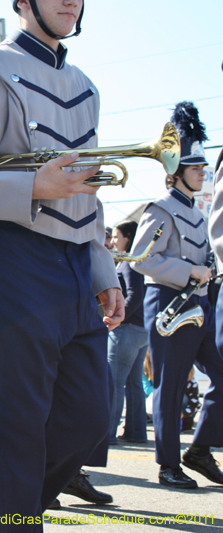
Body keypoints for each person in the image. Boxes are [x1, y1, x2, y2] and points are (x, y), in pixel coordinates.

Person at [0, 0, 123, 530]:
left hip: (77, 262)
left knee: (88, 421)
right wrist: (32, 184)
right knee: (19, 430)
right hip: (13, 255)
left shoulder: (84, 84)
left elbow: (90, 191)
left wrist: (103, 271)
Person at [132, 101, 223, 489]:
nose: (203, 171)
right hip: (169, 305)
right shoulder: (160, 210)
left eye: (203, 166)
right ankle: (168, 464)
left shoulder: (199, 214)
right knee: (168, 390)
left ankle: (199, 449)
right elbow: (141, 259)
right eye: (195, 166)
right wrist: (190, 270)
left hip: (199, 306)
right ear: (176, 171)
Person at [108, 220, 149, 445]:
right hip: (141, 330)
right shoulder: (136, 261)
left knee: (114, 382)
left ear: (128, 236)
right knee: (134, 384)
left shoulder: (130, 262)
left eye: (116, 236)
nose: (113, 241)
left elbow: (134, 293)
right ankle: (136, 432)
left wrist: (118, 317)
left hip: (127, 330)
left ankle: (108, 434)